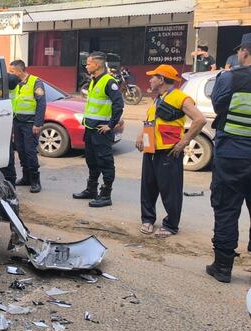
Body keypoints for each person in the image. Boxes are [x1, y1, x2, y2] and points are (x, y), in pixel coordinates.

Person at [136, 65, 206, 237]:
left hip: (169, 151)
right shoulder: (159, 98)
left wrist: (184, 142)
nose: (150, 80)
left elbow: (200, 120)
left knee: (170, 190)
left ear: (161, 79)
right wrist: (140, 136)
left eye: (153, 77)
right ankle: (147, 219)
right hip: (151, 149)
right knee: (148, 187)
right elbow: (150, 120)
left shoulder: (180, 97)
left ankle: (170, 225)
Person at [206, 33, 251, 283]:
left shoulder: (230, 78)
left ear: (243, 52)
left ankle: (223, 267)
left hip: (232, 154)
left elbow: (218, 106)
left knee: (226, 209)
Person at [73, 52, 124, 207]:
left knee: (105, 162)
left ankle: (106, 195)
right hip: (90, 128)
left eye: (88, 63)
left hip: (102, 131)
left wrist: (111, 124)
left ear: (97, 64)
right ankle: (91, 189)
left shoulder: (109, 81)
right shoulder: (94, 80)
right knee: (92, 161)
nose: (86, 66)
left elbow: (118, 105)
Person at [8, 60, 46, 193]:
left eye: (12, 71)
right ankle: (26, 178)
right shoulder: (15, 83)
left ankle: (35, 181)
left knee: (30, 151)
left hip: (30, 124)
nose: (10, 74)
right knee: (21, 150)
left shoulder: (35, 82)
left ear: (19, 71)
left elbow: (41, 104)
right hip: (18, 121)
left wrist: (38, 123)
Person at [1, 72, 21, 184]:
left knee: (8, 154)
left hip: (7, 120)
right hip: (9, 119)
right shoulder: (13, 84)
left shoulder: (11, 82)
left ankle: (10, 182)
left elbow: (12, 78)